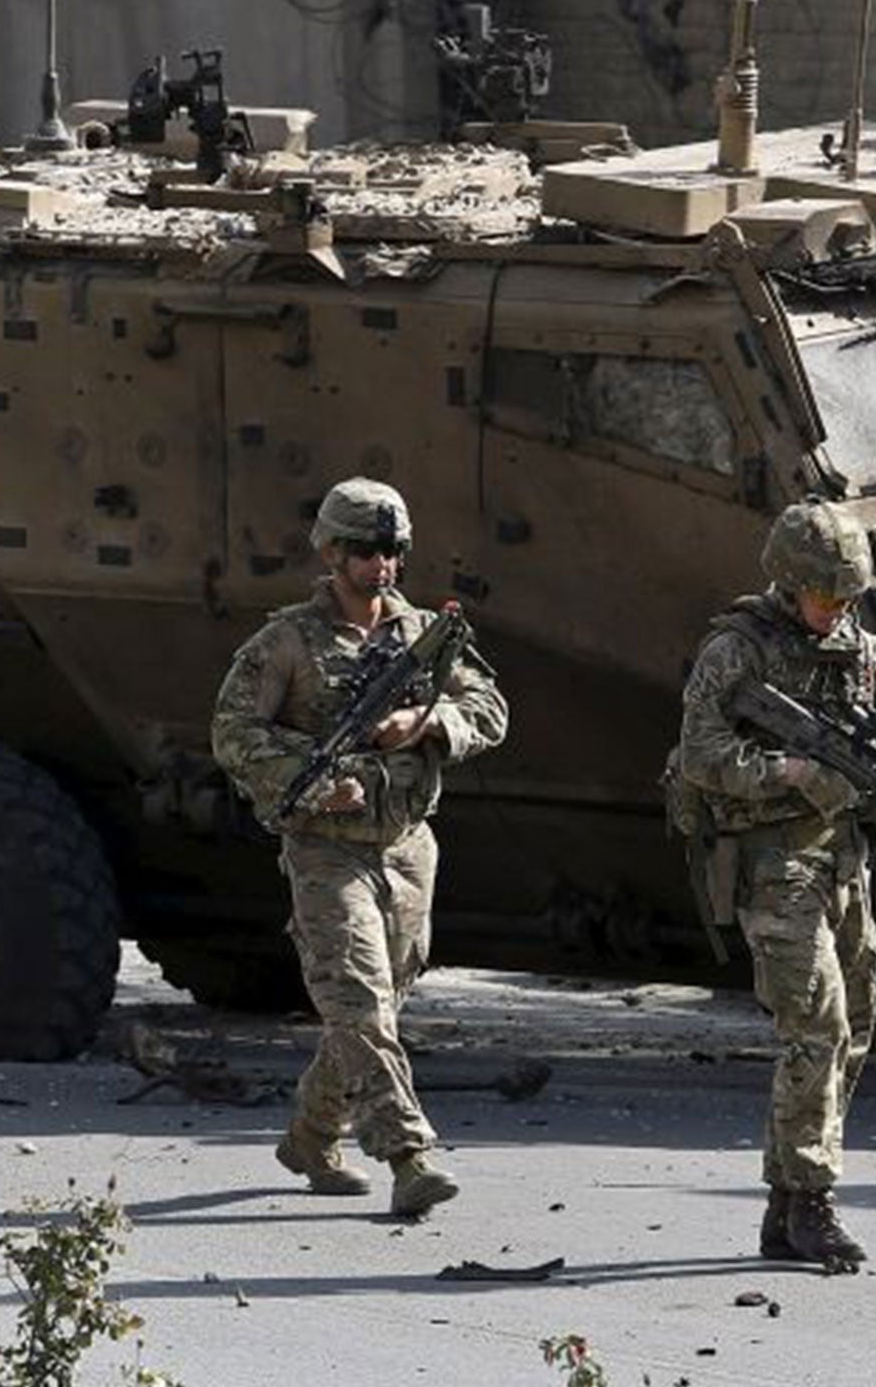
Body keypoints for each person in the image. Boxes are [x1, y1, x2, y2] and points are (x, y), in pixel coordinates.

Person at [211, 478, 507, 1217]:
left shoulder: (420, 638)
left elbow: (490, 708)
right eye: (368, 551)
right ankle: (408, 1154)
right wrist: (317, 783)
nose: (383, 566)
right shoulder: (285, 643)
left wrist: (430, 724)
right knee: (360, 1004)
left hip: (408, 847)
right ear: (332, 552)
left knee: (374, 1010)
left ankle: (312, 1136)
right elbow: (233, 733)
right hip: (325, 850)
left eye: (394, 551)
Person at [675, 502, 876, 1267]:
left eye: (850, 597)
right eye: (828, 598)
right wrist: (794, 773)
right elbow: (701, 753)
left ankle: (785, 1204)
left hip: (843, 861)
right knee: (815, 1027)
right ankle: (815, 1201)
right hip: (770, 862)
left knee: (854, 1025)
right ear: (789, 586)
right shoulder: (736, 651)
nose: (839, 611)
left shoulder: (863, 651)